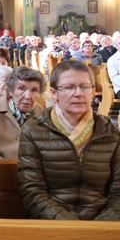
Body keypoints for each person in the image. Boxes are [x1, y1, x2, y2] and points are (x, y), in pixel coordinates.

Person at [18, 60, 120, 220]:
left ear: (93, 92)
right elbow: (33, 191)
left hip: (101, 223)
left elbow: (118, 192)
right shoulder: (34, 130)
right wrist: (72, 227)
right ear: (53, 93)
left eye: (85, 87)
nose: (78, 93)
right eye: (69, 87)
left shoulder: (109, 131)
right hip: (52, 223)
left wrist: (99, 227)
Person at [0, 66, 44, 159]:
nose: (28, 96)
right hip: (1, 166)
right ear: (10, 90)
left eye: (34, 90)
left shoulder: (42, 113)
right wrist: (9, 166)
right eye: (22, 88)